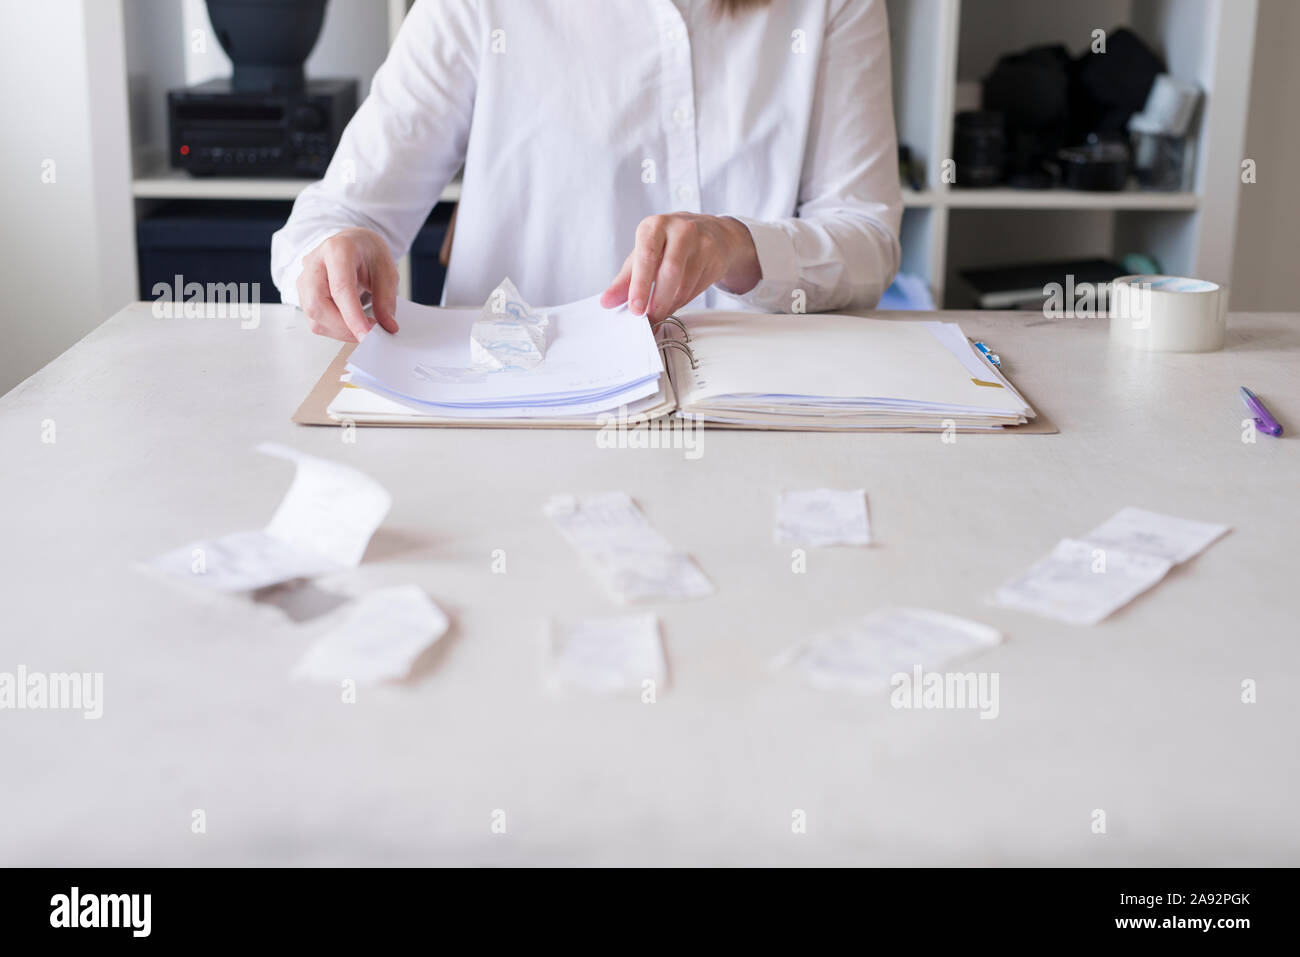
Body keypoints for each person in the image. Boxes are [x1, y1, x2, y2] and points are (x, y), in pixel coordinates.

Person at [270, 0, 901, 341]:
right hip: (517, 412)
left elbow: (868, 242)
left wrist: (741, 245)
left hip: (754, 410)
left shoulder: (831, 7)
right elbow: (338, 215)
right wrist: (332, 253)